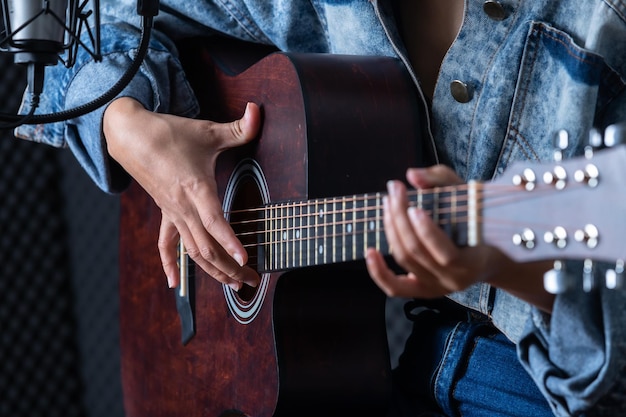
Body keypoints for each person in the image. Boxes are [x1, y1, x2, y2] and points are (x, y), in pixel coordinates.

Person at [14, 0, 626, 415]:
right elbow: (78, 28)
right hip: (412, 368)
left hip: (537, 385)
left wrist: (500, 259)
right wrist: (128, 128)